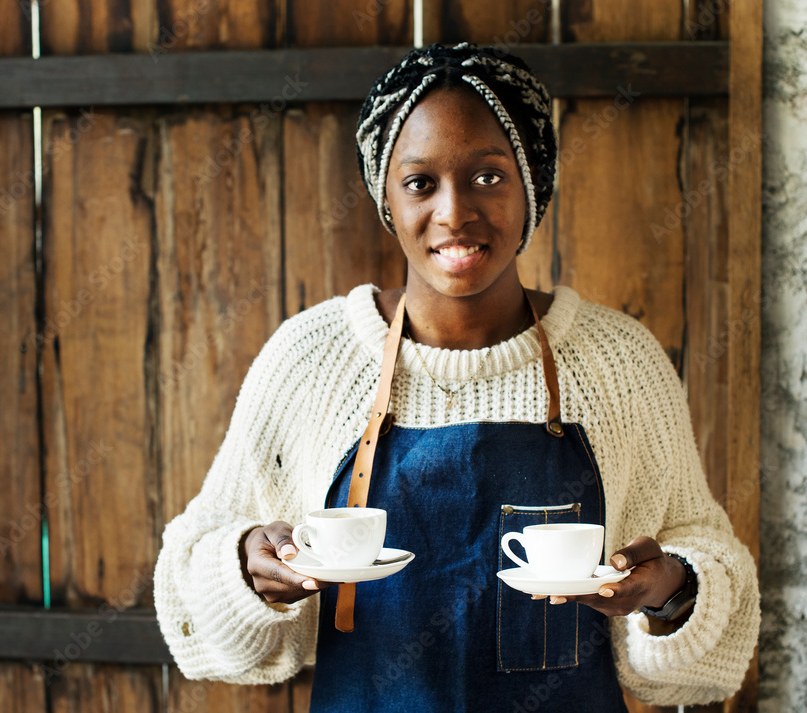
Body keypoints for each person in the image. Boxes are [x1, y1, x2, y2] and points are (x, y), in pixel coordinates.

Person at [154, 43, 759, 711]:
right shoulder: (311, 360)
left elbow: (711, 595)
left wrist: (674, 588)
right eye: (421, 183)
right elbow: (191, 594)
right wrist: (244, 566)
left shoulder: (619, 363)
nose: (453, 212)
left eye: (488, 177)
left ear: (532, 185)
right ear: (384, 193)